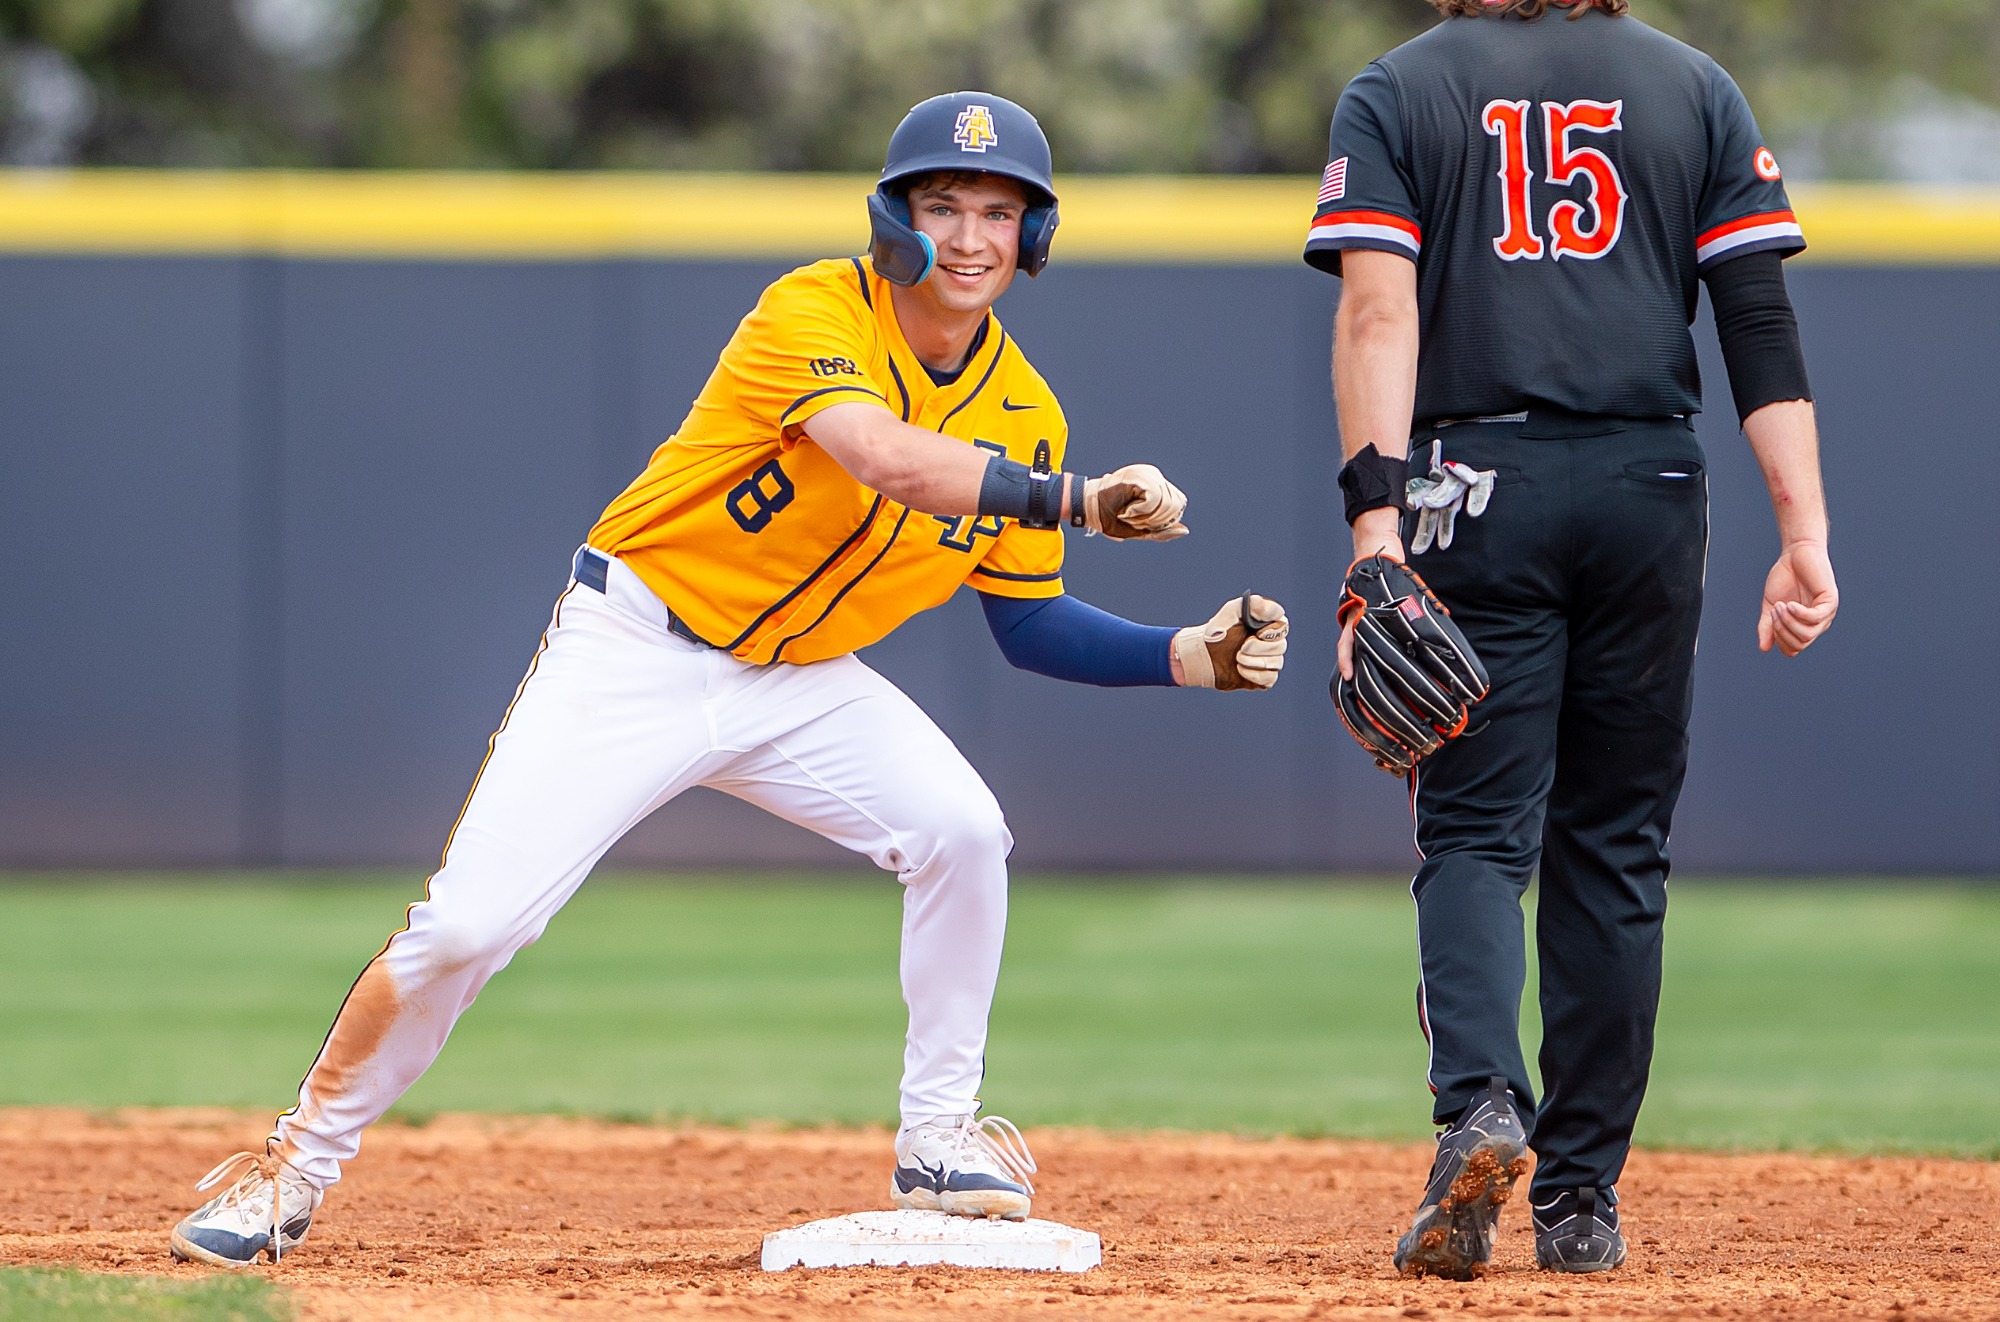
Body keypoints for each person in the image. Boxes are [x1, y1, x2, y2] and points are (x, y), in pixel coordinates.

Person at [170, 90, 1291, 1269]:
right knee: (472, 923)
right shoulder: (814, 307)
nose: (970, 237)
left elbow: (1028, 623)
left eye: (999, 212)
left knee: (962, 828)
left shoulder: (1026, 411)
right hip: (636, 646)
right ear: (895, 219)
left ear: (1034, 235)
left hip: (796, 680)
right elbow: (885, 458)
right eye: (943, 204)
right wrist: (1076, 500)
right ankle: (290, 1165)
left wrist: (1184, 655)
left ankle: (938, 1136)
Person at [1308, 0, 1838, 1279]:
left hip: (1473, 483)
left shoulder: (1398, 87)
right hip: (1648, 482)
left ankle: (1480, 1104)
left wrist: (1374, 526)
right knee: (1613, 841)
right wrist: (1803, 529)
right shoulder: (1692, 85)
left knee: (1475, 832)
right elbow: (1754, 319)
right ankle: (1582, 1196)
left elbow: (1378, 316)